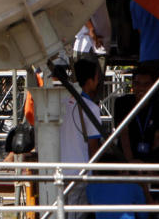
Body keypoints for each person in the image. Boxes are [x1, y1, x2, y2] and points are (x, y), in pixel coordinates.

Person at [61, 59, 103, 219]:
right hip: (79, 174)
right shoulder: (91, 108)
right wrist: (97, 176)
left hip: (55, 172)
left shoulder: (58, 103)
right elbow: (93, 147)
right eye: (97, 77)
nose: (98, 81)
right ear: (90, 80)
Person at [114, 66, 159, 164]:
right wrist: (130, 161)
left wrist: (150, 166)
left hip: (151, 161)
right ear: (132, 84)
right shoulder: (122, 103)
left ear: (153, 86)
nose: (141, 88)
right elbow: (123, 134)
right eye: (137, 84)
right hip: (126, 160)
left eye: (146, 84)